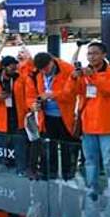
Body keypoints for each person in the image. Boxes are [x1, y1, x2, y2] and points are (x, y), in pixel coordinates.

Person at [75, 41, 110, 200]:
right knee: (90, 161)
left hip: (108, 125)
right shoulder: (84, 74)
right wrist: (74, 78)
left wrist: (93, 76)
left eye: (95, 53)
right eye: (89, 54)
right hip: (88, 125)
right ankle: (92, 189)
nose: (92, 57)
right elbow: (73, 91)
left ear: (104, 55)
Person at [28, 52, 79, 181]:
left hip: (65, 115)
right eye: (41, 70)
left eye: (46, 68)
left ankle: (68, 174)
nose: (44, 72)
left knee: (66, 147)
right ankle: (50, 172)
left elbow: (72, 93)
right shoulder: (36, 73)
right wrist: (34, 104)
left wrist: (53, 95)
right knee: (49, 146)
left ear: (52, 61)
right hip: (46, 116)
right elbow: (31, 94)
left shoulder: (67, 69)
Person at [0, 56, 30, 174]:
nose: (14, 70)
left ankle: (21, 170)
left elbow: (29, 95)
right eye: (11, 68)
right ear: (4, 67)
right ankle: (1, 171)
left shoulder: (22, 79)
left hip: (18, 118)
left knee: (20, 148)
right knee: (0, 149)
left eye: (15, 67)